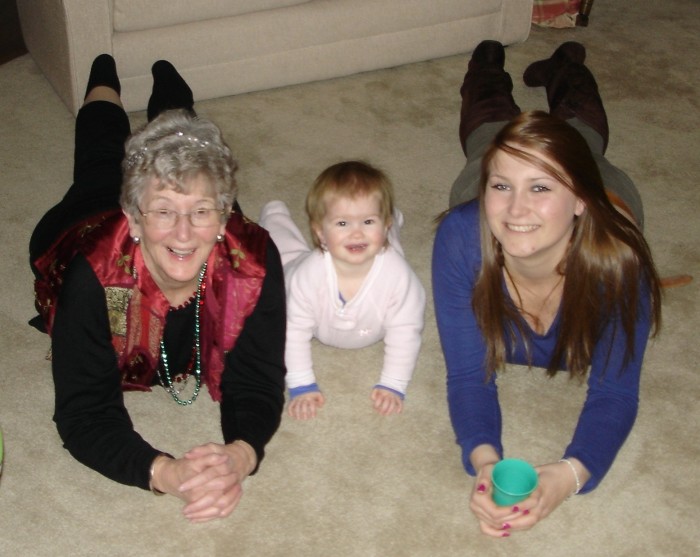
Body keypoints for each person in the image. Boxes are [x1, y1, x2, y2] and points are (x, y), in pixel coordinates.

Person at [29, 55, 287, 522]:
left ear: (225, 217)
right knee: (99, 164)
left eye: (203, 212)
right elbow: (84, 414)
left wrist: (242, 455)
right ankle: (103, 80)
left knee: (185, 146)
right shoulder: (94, 280)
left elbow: (256, 379)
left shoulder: (252, 262)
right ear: (133, 219)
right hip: (82, 221)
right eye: (164, 211)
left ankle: (171, 93)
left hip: (178, 207)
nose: (184, 234)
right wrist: (166, 474)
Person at [432, 41, 663, 537]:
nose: (516, 209)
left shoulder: (621, 270)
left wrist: (569, 475)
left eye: (541, 187)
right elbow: (469, 375)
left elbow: (616, 393)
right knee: (488, 132)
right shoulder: (461, 237)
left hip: (606, 188)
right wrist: (484, 459)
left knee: (582, 131)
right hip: (491, 181)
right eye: (503, 188)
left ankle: (567, 67)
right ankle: (487, 64)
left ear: (578, 200)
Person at [259, 161, 426, 419]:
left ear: (384, 223)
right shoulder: (306, 276)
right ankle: (274, 214)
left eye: (368, 221)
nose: (356, 233)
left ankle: (392, 225)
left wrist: (393, 384)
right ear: (320, 233)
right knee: (279, 248)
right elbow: (291, 330)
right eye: (342, 224)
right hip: (296, 268)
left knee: (391, 249)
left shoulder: (399, 276)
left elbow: (407, 330)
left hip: (384, 258)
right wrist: (301, 384)